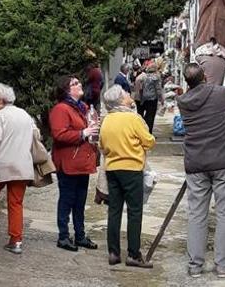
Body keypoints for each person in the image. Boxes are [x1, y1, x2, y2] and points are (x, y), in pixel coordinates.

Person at [176, 63, 225, 279]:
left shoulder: (183, 102)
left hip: (196, 163)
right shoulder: (221, 93)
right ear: (205, 76)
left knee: (197, 213)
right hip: (224, 160)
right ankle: (224, 265)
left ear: (187, 82)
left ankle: (195, 265)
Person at [99, 86, 155, 268]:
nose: (129, 96)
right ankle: (133, 254)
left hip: (112, 168)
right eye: (126, 94)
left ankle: (114, 252)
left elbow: (102, 144)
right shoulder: (133, 118)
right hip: (131, 168)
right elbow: (149, 141)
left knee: (114, 210)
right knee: (134, 211)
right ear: (121, 100)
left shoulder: (107, 120)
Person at [0, 83, 36, 254]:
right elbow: (35, 134)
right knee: (15, 203)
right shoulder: (24, 114)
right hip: (22, 164)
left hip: (1, 164)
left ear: (0, 100)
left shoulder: (0, 115)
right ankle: (16, 240)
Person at [48, 75, 99, 252]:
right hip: (69, 162)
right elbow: (59, 135)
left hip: (82, 162)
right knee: (67, 200)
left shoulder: (83, 107)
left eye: (78, 82)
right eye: (74, 83)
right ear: (66, 89)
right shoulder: (61, 109)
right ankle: (63, 236)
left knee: (80, 201)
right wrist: (82, 133)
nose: (79, 85)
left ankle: (80, 235)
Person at [132, 64, 163, 134]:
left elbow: (141, 88)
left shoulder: (144, 77)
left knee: (144, 115)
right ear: (155, 70)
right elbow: (158, 89)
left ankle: (143, 130)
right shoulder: (156, 77)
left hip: (144, 97)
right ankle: (148, 132)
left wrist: (141, 98)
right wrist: (161, 99)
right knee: (151, 116)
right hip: (152, 98)